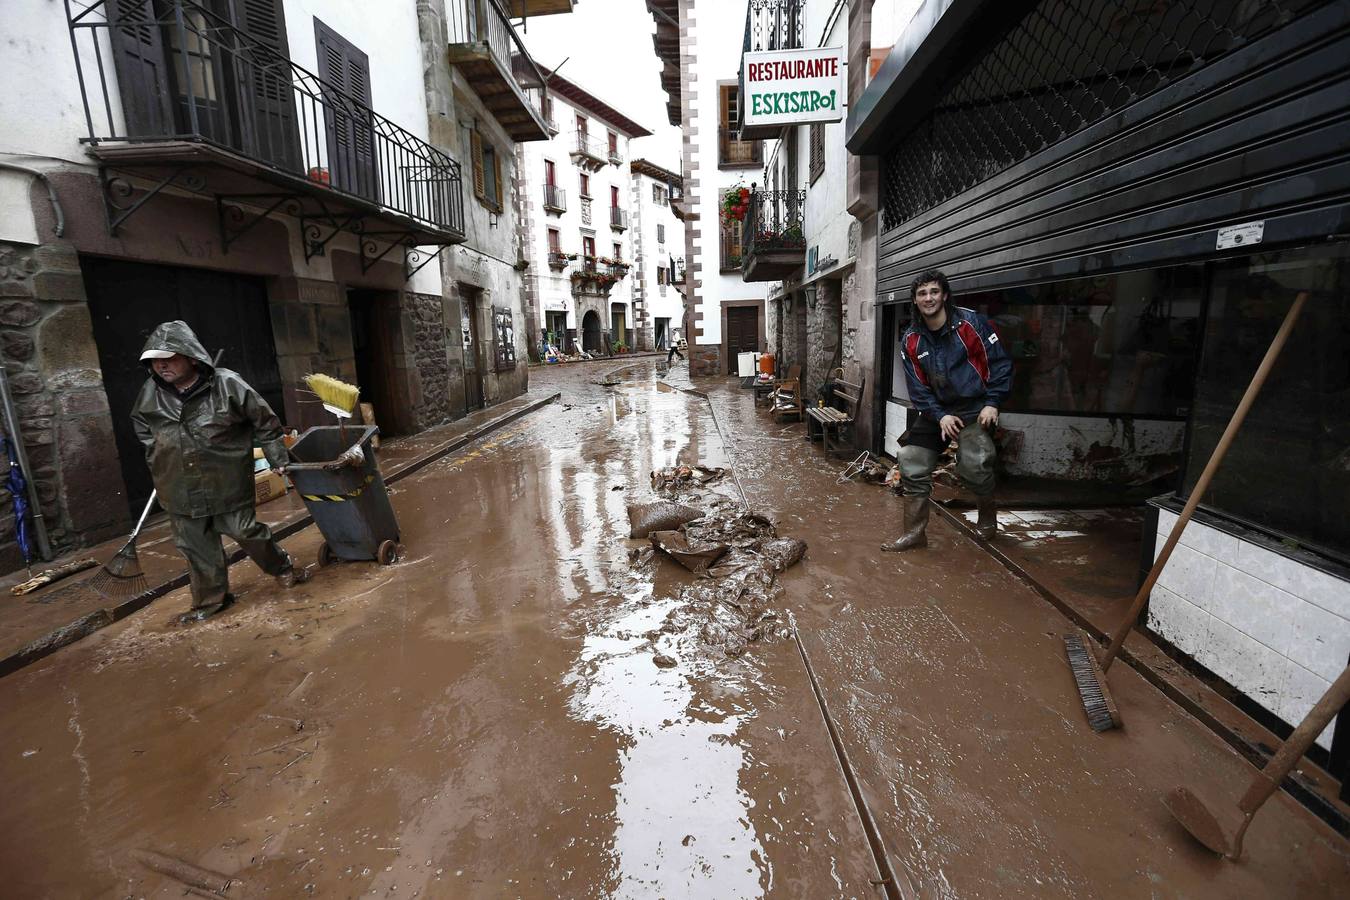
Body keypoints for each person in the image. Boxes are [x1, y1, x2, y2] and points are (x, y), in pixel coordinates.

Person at [131, 321, 309, 623]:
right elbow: (142, 426)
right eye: (155, 360)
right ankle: (210, 601)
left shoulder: (227, 384)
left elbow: (264, 421)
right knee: (195, 546)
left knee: (245, 531)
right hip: (177, 484)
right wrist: (158, 453)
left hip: (225, 480)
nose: (162, 366)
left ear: (190, 356)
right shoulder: (150, 393)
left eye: (169, 358)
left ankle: (282, 567)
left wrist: (278, 457)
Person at [883, 269, 1013, 552]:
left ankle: (988, 516)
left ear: (944, 295)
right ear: (915, 301)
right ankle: (914, 533)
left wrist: (993, 402)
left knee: (975, 465)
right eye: (922, 293)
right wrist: (939, 415)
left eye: (933, 291)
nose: (928, 298)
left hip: (974, 407)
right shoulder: (911, 340)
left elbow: (999, 364)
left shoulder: (972, 324)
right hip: (936, 411)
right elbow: (917, 387)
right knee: (911, 461)